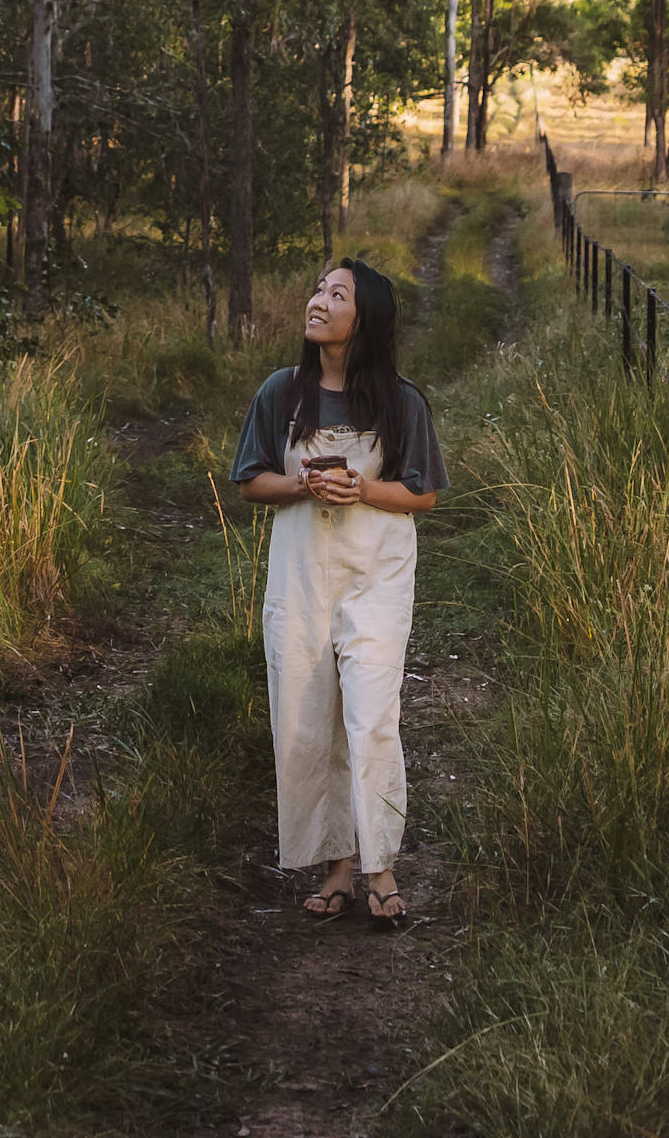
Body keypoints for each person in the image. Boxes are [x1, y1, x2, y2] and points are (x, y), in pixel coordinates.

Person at [229, 258, 444, 929]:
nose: (318, 300)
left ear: (366, 318)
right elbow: (249, 481)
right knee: (308, 715)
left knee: (372, 716)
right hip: (302, 577)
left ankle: (380, 868)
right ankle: (336, 868)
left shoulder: (401, 400)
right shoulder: (280, 394)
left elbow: (424, 493)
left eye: (337, 293)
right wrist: (301, 485)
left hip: (377, 575)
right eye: (319, 288)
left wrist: (363, 490)